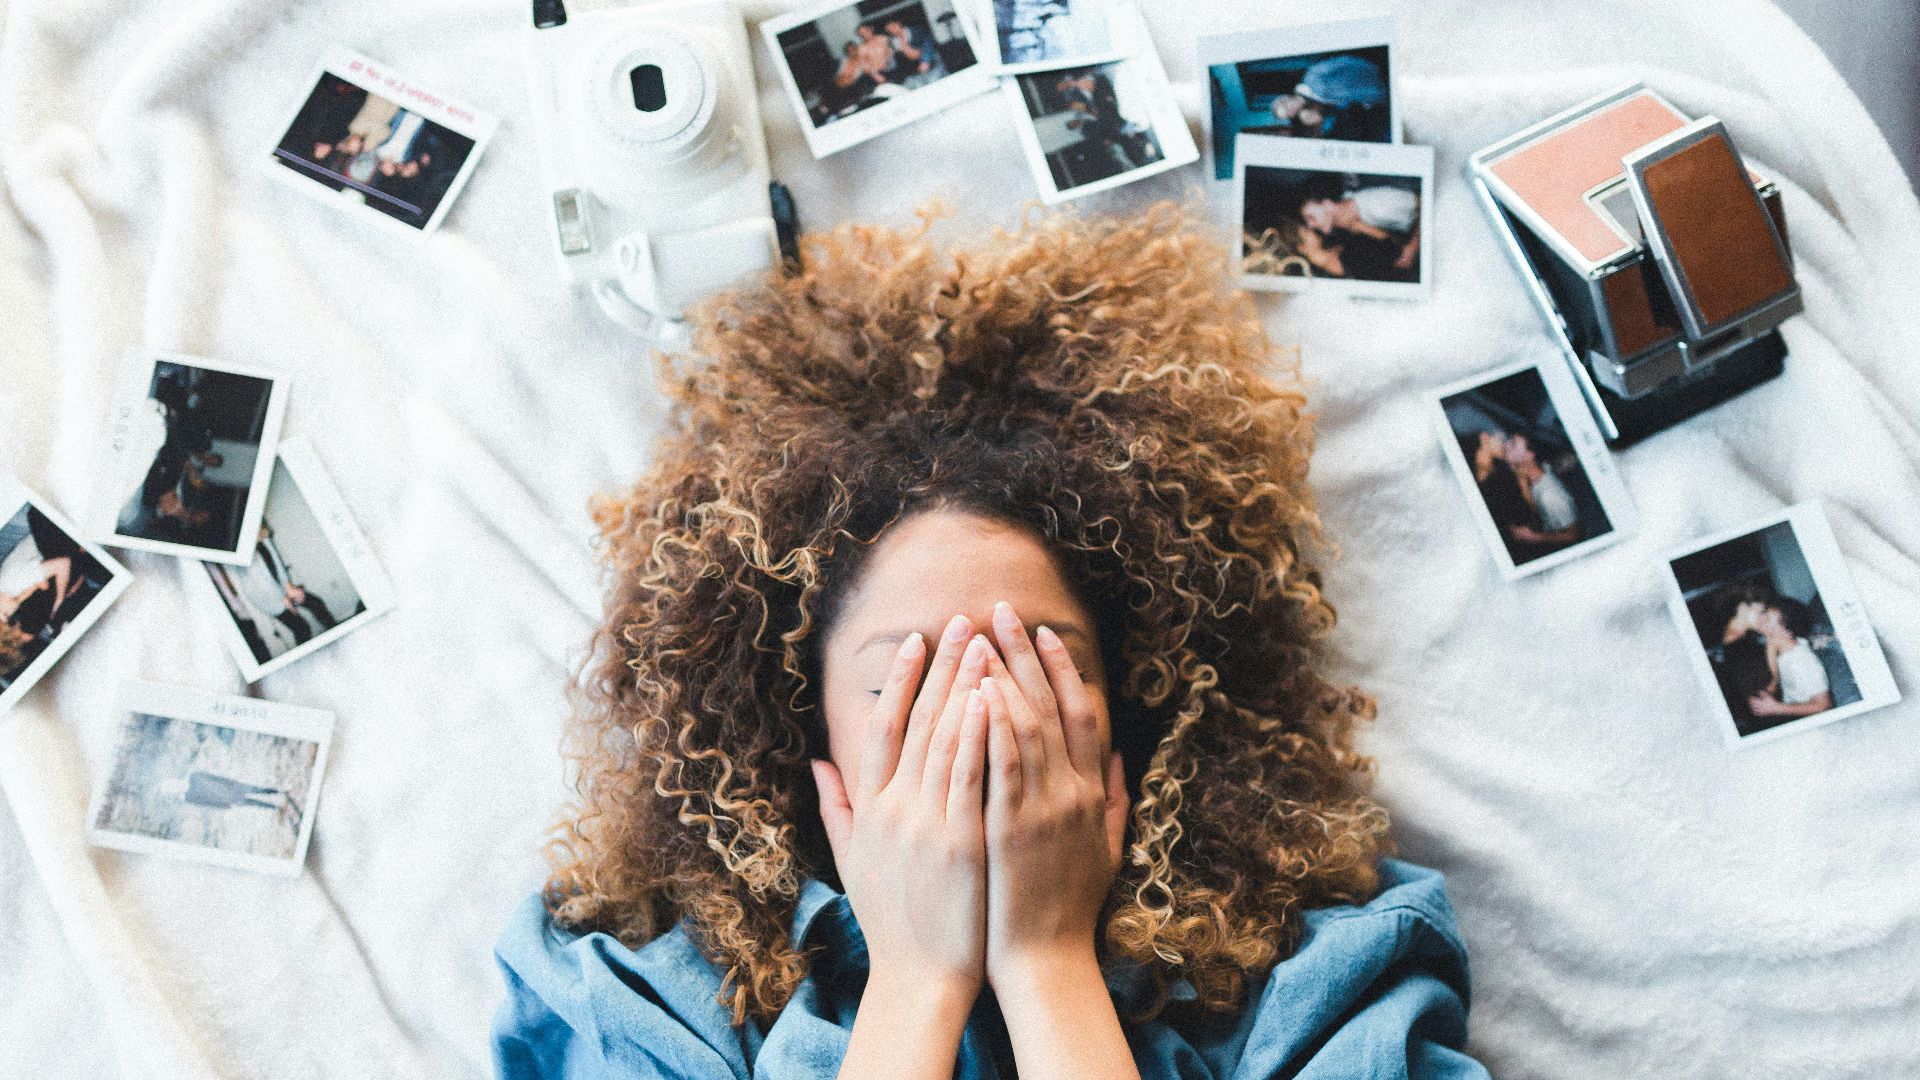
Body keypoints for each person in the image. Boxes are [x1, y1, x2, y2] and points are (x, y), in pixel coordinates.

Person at [489, 204, 1489, 1079]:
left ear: (1129, 706)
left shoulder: (1331, 973)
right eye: (904, 678)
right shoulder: (631, 983)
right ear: (806, 721)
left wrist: (1047, 963)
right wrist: (918, 979)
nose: (979, 713)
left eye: (1034, 660)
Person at [1720, 592, 1834, 722]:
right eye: (1764, 613)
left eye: (1767, 618)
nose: (1761, 619)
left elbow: (1825, 705)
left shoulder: (1802, 661)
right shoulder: (1783, 647)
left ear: (1786, 632)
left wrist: (1777, 708)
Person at [1266, 54, 1389, 141]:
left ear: (1287, 97)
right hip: (1375, 96)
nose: (1291, 110)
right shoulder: (1313, 106)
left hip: (1378, 78)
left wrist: (1374, 70)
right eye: (1288, 114)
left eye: (1286, 106)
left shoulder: (1312, 75)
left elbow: (1345, 61)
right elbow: (1343, 104)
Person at [157, 772, 295, 813]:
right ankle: (278, 808)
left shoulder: (193, 776)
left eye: (172, 785)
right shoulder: (188, 797)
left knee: (256, 790)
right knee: (255, 803)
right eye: (171, 790)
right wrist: (224, 806)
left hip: (233, 788)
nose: (174, 787)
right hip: (228, 799)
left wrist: (231, 781)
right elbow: (207, 804)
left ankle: (280, 792)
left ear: (173, 780)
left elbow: (214, 777)